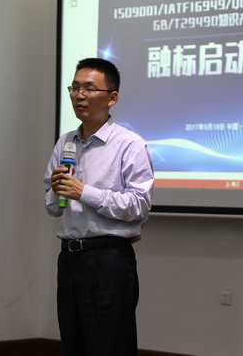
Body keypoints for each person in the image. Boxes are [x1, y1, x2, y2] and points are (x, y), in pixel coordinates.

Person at [44, 57, 154, 356]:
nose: (79, 95)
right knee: (73, 345)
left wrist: (84, 192)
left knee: (109, 347)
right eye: (74, 88)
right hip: (69, 259)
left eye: (89, 89)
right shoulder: (65, 142)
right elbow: (53, 207)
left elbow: (139, 205)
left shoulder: (129, 144)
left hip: (108, 260)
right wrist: (56, 189)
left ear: (112, 97)